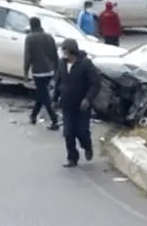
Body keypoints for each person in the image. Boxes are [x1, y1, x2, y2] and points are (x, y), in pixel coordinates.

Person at [52, 38, 100, 168]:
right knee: (68, 132)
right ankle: (72, 158)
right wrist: (55, 99)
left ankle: (87, 146)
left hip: (82, 106)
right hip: (67, 104)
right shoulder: (61, 63)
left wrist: (88, 99)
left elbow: (96, 84)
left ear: (71, 50)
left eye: (65, 50)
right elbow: (58, 82)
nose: (63, 53)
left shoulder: (85, 64)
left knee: (81, 131)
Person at [23, 16, 60, 130]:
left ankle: (54, 120)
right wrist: (56, 69)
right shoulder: (49, 37)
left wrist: (25, 72)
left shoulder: (30, 38)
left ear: (31, 25)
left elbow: (27, 57)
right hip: (49, 71)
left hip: (38, 71)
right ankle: (33, 116)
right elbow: (55, 54)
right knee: (41, 93)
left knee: (44, 96)